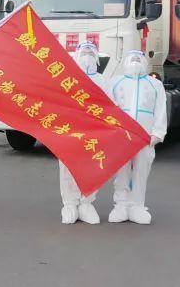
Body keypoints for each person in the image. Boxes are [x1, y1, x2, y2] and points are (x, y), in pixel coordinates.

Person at [107, 50, 167, 225]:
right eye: (131, 58)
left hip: (145, 134)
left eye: (138, 58)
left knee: (141, 169)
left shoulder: (154, 84)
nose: (135, 61)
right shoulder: (115, 82)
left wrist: (157, 132)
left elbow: (161, 109)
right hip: (121, 134)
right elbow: (107, 106)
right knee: (121, 170)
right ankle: (121, 204)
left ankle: (137, 205)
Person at [58, 43, 106, 225]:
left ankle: (86, 203)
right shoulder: (67, 79)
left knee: (91, 167)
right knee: (68, 168)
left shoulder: (103, 81)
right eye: (83, 53)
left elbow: (112, 107)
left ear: (96, 58)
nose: (87, 57)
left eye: (90, 53)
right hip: (70, 131)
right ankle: (69, 204)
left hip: (94, 133)